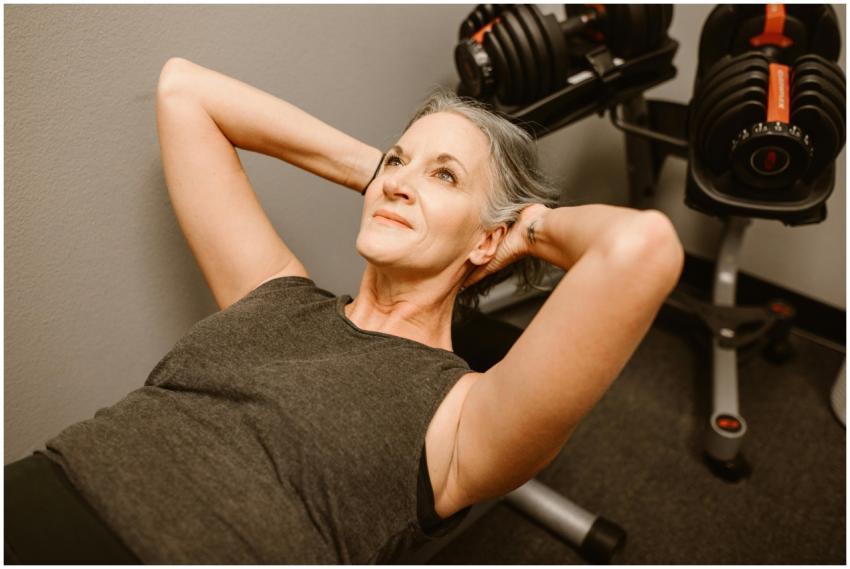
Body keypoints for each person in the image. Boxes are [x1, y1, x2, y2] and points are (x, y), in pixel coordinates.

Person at [4, 57, 684, 564]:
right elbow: (185, 90)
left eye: (445, 175)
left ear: (488, 239)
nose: (400, 180)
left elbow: (641, 247)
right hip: (39, 492)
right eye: (398, 160)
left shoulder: (463, 419)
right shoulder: (273, 290)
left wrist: (520, 227)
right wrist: (387, 176)